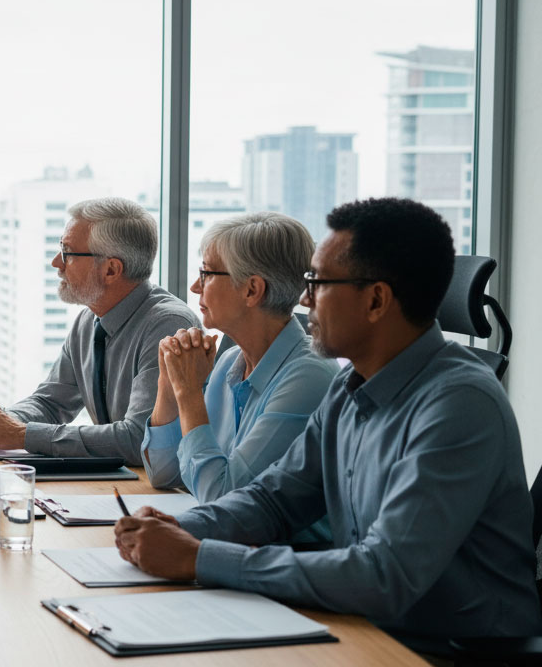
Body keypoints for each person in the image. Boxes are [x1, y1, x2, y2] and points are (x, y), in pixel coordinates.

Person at [114, 198, 541, 642]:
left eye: (317, 282)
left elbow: (383, 574)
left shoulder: (459, 405)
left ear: (376, 299)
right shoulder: (349, 386)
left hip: (453, 647)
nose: (303, 298)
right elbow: (274, 500)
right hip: (364, 625)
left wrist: (198, 557)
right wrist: (179, 528)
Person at [142, 212, 336, 543]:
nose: (194, 286)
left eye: (206, 273)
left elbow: (225, 500)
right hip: (231, 550)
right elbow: (162, 473)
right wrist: (169, 383)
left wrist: (189, 392)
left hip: (284, 568)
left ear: (252, 290)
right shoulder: (230, 362)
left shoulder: (308, 378)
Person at [0, 197, 200, 465]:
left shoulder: (168, 326)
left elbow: (138, 439)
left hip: (161, 493)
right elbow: (51, 403)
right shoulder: (88, 321)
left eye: (68, 253)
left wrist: (22, 435)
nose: (56, 263)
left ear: (111, 270)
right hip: (124, 485)